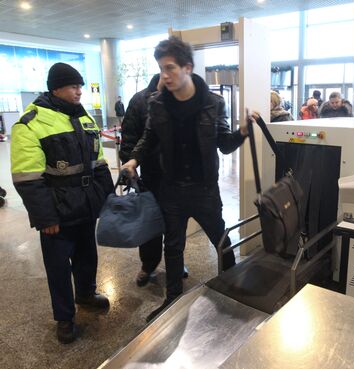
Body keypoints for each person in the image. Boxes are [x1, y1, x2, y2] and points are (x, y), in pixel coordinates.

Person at [121, 36, 248, 322]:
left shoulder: (213, 103)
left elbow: (225, 144)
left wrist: (242, 132)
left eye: (170, 68)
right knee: (173, 245)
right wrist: (134, 159)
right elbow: (149, 137)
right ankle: (173, 298)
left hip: (204, 189)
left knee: (221, 239)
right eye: (161, 69)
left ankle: (232, 288)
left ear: (187, 68)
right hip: (171, 189)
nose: (164, 75)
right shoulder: (157, 103)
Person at [10, 62, 114, 343]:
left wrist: (107, 198)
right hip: (57, 213)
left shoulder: (84, 118)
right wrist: (46, 218)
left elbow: (99, 162)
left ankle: (85, 294)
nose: (79, 91)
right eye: (73, 86)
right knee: (58, 267)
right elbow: (27, 179)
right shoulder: (31, 122)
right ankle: (64, 317)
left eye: (80, 85)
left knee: (86, 257)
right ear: (56, 88)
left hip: (85, 207)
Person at [120, 74, 190, 286]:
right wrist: (133, 171)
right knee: (149, 225)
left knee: (175, 225)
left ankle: (175, 263)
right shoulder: (139, 101)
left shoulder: (180, 100)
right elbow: (129, 140)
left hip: (177, 180)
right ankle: (148, 265)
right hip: (150, 177)